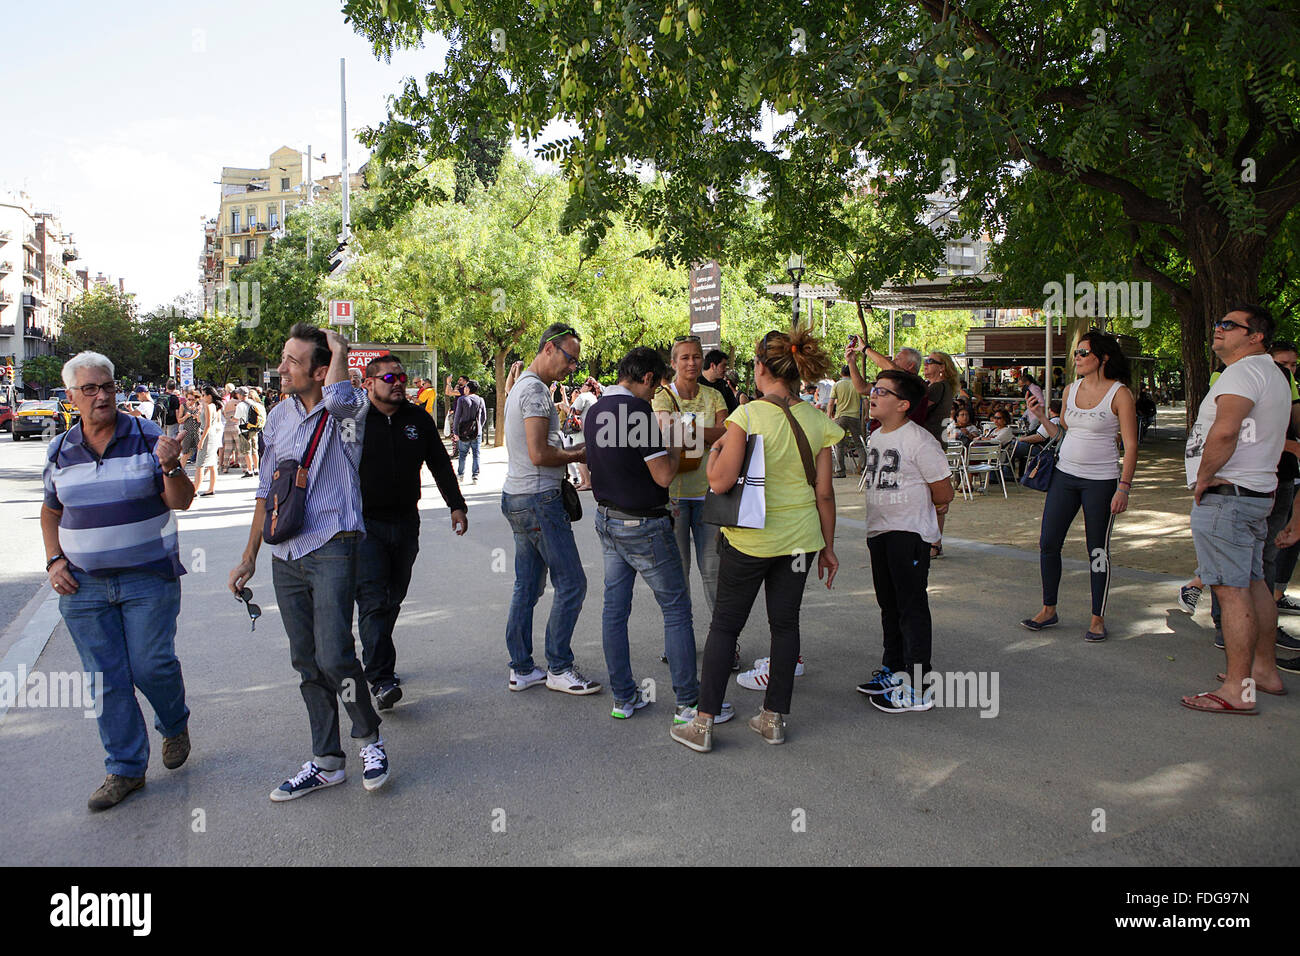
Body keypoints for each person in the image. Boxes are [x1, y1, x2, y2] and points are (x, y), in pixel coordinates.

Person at [228, 324, 390, 800]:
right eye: (284, 358)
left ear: (320, 371)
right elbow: (266, 491)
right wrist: (249, 555)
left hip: (334, 544)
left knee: (335, 652)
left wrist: (339, 349)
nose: (282, 368)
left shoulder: (348, 411)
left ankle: (369, 739)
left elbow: (340, 397)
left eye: (293, 362)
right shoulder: (276, 418)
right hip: (287, 554)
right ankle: (326, 760)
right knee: (306, 660)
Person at [671, 327, 842, 753]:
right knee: (785, 626)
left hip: (749, 542)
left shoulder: (746, 417)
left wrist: (713, 456)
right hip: (801, 542)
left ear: (761, 367)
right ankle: (772, 719)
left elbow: (721, 479)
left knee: (725, 626)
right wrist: (829, 547)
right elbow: (824, 492)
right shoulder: (818, 420)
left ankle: (704, 724)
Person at [42, 351, 195, 811]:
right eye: (89, 389)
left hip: (148, 579)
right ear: (71, 396)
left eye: (107, 386)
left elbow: (181, 500)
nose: (101, 395)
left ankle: (173, 722)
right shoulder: (60, 449)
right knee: (106, 679)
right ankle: (125, 770)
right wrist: (54, 560)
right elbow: (51, 511)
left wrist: (170, 466)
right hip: (83, 586)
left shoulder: (148, 436)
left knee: (151, 666)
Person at [585, 347, 733, 724]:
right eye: (656, 386)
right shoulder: (638, 413)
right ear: (649, 378)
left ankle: (624, 697)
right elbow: (664, 475)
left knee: (614, 611)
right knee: (676, 609)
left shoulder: (596, 409)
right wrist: (676, 442)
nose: (656, 394)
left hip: (607, 519)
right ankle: (688, 703)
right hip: (645, 524)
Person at [1182, 305, 1291, 711]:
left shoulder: (1245, 372)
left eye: (1228, 325)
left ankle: (1237, 691)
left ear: (1256, 335)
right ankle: (1264, 671)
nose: (1218, 330)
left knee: (1231, 592)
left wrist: (1205, 476)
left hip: (1229, 496)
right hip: (1254, 494)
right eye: (1217, 324)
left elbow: (1226, 430)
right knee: (1254, 583)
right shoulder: (1272, 373)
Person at [353, 354, 468, 710]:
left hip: (406, 523)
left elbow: (439, 464)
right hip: (363, 526)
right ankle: (381, 678)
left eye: (402, 376)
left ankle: (376, 656)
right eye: (390, 378)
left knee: (393, 597)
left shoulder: (417, 418)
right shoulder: (353, 421)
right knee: (373, 600)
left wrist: (456, 505)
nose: (399, 382)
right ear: (369, 383)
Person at [500, 323, 599, 695]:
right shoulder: (537, 393)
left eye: (575, 360)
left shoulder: (521, 387)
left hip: (520, 496)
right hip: (539, 499)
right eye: (569, 358)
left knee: (527, 586)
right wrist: (579, 454)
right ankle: (558, 666)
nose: (572, 367)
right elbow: (540, 454)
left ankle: (522, 667)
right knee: (572, 583)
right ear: (548, 349)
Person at [1021, 329, 1138, 643]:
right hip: (1064, 476)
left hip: (1101, 481)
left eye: (1083, 353)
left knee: (1097, 549)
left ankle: (1097, 617)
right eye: (1076, 353)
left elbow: (1131, 444)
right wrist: (1042, 417)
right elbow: (1061, 435)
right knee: (1048, 542)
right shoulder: (1070, 390)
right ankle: (1049, 609)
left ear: (1103, 357)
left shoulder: (1120, 393)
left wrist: (1124, 487)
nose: (1077, 358)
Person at [855, 369, 954, 712]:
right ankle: (892, 668)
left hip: (908, 533)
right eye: (874, 389)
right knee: (889, 604)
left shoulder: (920, 440)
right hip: (879, 531)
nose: (873, 395)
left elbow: (944, 490)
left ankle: (919, 685)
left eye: (882, 392)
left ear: (903, 404)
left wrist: (931, 524)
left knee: (911, 608)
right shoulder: (877, 436)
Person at [651, 335, 729, 645]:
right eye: (684, 357)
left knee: (714, 573)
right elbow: (668, 431)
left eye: (696, 356)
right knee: (677, 574)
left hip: (710, 495)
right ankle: (679, 642)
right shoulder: (661, 396)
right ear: (673, 363)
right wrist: (706, 434)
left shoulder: (715, 396)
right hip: (674, 498)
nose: (691, 362)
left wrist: (690, 430)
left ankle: (723, 642)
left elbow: (727, 434)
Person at [847, 342, 930, 428]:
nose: (893, 361)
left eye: (898, 359)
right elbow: (862, 388)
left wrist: (865, 349)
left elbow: (893, 369)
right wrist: (851, 362)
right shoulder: (891, 382)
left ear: (910, 365)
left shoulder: (917, 383)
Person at [829, 364, 864, 479]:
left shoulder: (837, 385)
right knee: (859, 443)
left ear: (841, 373)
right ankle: (863, 468)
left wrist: (829, 416)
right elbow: (866, 402)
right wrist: (865, 415)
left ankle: (840, 471)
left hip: (841, 416)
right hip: (854, 417)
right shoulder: (857, 384)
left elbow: (831, 402)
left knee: (839, 445)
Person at [452, 379, 488, 483]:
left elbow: (457, 417)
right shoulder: (480, 400)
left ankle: (460, 474)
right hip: (476, 432)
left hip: (463, 431)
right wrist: (478, 427)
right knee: (476, 454)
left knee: (463, 454)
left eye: (466, 387)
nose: (464, 389)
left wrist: (455, 431)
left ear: (468, 389)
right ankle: (475, 476)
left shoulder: (462, 400)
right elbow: (484, 417)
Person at [921, 351, 959, 443]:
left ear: (942, 367)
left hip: (930, 440)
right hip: (937, 439)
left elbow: (920, 409)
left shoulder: (938, 387)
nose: (926, 364)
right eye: (925, 361)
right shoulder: (944, 385)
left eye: (930, 361)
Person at [193, 386, 224, 497]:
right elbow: (214, 423)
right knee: (211, 464)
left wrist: (201, 441)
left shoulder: (209, 406)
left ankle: (194, 489)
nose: (202, 397)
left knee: (200, 464)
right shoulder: (216, 406)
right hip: (213, 434)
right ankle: (211, 488)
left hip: (208, 435)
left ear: (209, 396)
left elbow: (207, 425)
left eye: (204, 395)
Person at [700, 349, 739, 413]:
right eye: (723, 366)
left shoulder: (725, 387)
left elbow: (733, 411)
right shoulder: (695, 384)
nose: (725, 369)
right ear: (713, 366)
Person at [220, 386, 240, 473]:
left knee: (228, 448)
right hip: (236, 426)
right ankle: (245, 468)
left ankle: (225, 467)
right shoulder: (239, 403)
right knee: (240, 448)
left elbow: (224, 413)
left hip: (227, 426)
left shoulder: (227, 403)